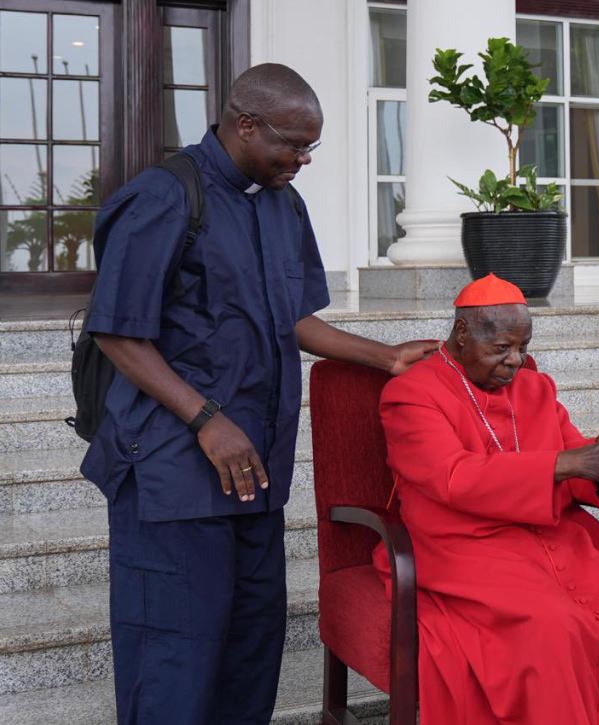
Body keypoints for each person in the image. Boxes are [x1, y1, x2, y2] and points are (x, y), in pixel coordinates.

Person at [81, 63, 437, 724]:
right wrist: (206, 419)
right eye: (292, 145)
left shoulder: (282, 202)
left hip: (255, 475)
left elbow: (293, 317)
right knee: (174, 662)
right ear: (245, 123)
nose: (301, 160)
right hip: (171, 478)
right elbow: (117, 332)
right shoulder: (163, 196)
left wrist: (384, 356)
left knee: (250, 656)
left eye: (310, 148)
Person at [373, 273, 599, 725]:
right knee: (550, 628)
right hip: (463, 546)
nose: (515, 362)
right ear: (463, 334)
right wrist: (567, 464)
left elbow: (575, 458)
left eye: (523, 348)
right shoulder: (412, 393)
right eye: (502, 349)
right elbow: (452, 477)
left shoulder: (536, 389)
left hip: (554, 536)